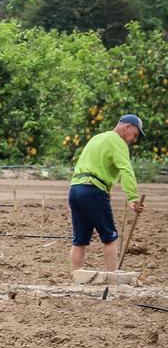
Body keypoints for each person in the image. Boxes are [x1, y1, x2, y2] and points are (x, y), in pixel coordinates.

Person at [68, 114, 145, 272]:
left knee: (80, 240)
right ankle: (112, 276)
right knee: (110, 235)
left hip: (75, 189)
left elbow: (94, 165)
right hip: (92, 190)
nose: (134, 140)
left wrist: (106, 190)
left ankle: (74, 276)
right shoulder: (118, 142)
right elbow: (126, 170)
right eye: (135, 134)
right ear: (127, 127)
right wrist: (133, 197)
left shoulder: (98, 138)